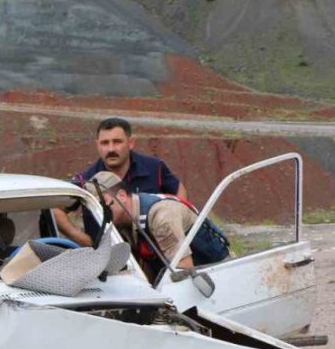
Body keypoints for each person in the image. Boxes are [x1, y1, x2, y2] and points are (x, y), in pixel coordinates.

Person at [54, 116, 189, 246]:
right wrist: (84, 240)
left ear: (131, 143)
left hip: (153, 253)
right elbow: (56, 209)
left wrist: (175, 226)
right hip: (107, 258)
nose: (111, 149)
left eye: (117, 141)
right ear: (97, 145)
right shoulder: (85, 180)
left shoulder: (154, 167)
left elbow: (178, 190)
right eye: (105, 143)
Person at [95, 172, 229, 278]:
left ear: (122, 196)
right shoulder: (126, 220)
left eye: (102, 204)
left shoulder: (161, 216)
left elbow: (184, 271)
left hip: (221, 275)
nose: (100, 212)